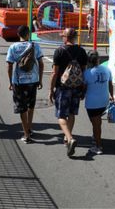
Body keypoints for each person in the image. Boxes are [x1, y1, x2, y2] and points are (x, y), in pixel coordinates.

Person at [49, 28, 88, 157]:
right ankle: (67, 137)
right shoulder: (81, 51)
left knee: (61, 116)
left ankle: (70, 138)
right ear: (75, 37)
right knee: (71, 113)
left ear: (66, 37)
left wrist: (51, 90)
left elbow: (55, 73)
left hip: (63, 87)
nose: (62, 38)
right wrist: (83, 88)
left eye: (63, 36)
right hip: (76, 87)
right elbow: (84, 71)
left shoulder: (59, 51)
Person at [6, 26, 44, 143]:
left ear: (18, 34)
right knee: (30, 106)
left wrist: (10, 82)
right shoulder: (35, 46)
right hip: (33, 80)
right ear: (28, 34)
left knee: (22, 107)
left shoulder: (13, 47)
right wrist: (40, 79)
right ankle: (29, 128)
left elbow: (9, 65)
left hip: (19, 81)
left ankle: (26, 135)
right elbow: (41, 63)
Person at [83, 50, 114, 155]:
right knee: (97, 122)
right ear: (98, 59)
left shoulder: (87, 73)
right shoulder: (107, 70)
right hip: (104, 101)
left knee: (96, 125)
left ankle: (98, 146)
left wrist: (81, 96)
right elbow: (110, 84)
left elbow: (84, 88)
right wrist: (111, 95)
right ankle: (95, 137)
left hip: (92, 103)